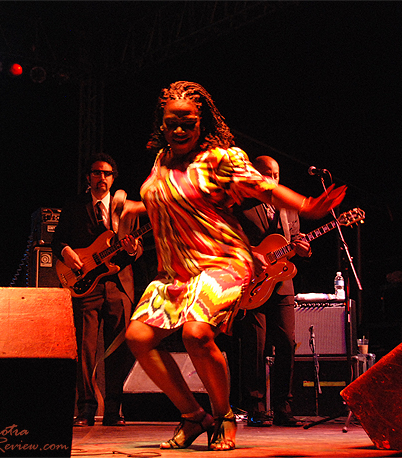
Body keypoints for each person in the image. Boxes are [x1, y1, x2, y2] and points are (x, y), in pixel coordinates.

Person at [123, 81, 346, 451]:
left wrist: (305, 206)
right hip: (176, 270)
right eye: (170, 122)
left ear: (202, 122)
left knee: (196, 334)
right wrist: (135, 206)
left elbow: (264, 188)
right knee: (138, 338)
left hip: (222, 259)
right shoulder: (162, 161)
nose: (178, 129)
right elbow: (170, 199)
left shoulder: (220, 159)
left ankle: (223, 414)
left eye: (187, 121)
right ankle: (194, 416)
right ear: (161, 124)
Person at [51, 153, 143, 427]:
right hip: (85, 286)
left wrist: (132, 249)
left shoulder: (126, 209)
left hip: (118, 285)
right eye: (96, 173)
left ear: (113, 178)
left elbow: (134, 254)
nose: (101, 178)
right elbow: (58, 241)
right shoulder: (75, 205)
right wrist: (67, 253)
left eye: (106, 173)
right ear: (88, 177)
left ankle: (114, 410)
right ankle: (86, 409)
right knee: (85, 348)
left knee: (118, 349)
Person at [233, 156, 311, 427]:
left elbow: (295, 239)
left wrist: (303, 246)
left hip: (282, 284)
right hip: (253, 283)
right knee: (255, 344)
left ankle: (283, 407)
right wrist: (251, 253)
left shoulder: (288, 209)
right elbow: (230, 242)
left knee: (287, 343)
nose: (272, 180)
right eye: (267, 174)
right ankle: (255, 407)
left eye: (276, 175)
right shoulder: (241, 205)